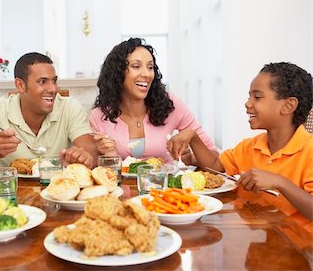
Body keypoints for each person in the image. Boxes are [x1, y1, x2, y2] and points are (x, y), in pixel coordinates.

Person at [167, 62, 313, 224]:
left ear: (288, 105)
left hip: (296, 245)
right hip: (255, 239)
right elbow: (214, 166)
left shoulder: (310, 151)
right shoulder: (249, 147)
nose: (248, 103)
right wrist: (193, 136)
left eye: (257, 97)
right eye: (249, 96)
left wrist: (280, 182)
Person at [0, 52, 98, 170]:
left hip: (59, 191)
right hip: (10, 198)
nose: (53, 88)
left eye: (54, 81)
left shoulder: (70, 107)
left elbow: (92, 153)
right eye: (42, 81)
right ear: (20, 85)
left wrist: (82, 157)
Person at [90, 37, 217, 164]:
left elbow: (214, 158)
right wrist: (105, 156)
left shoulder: (170, 104)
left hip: (166, 183)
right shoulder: (99, 116)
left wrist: (192, 159)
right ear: (118, 73)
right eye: (136, 66)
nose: (147, 74)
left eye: (150, 67)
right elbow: (97, 170)